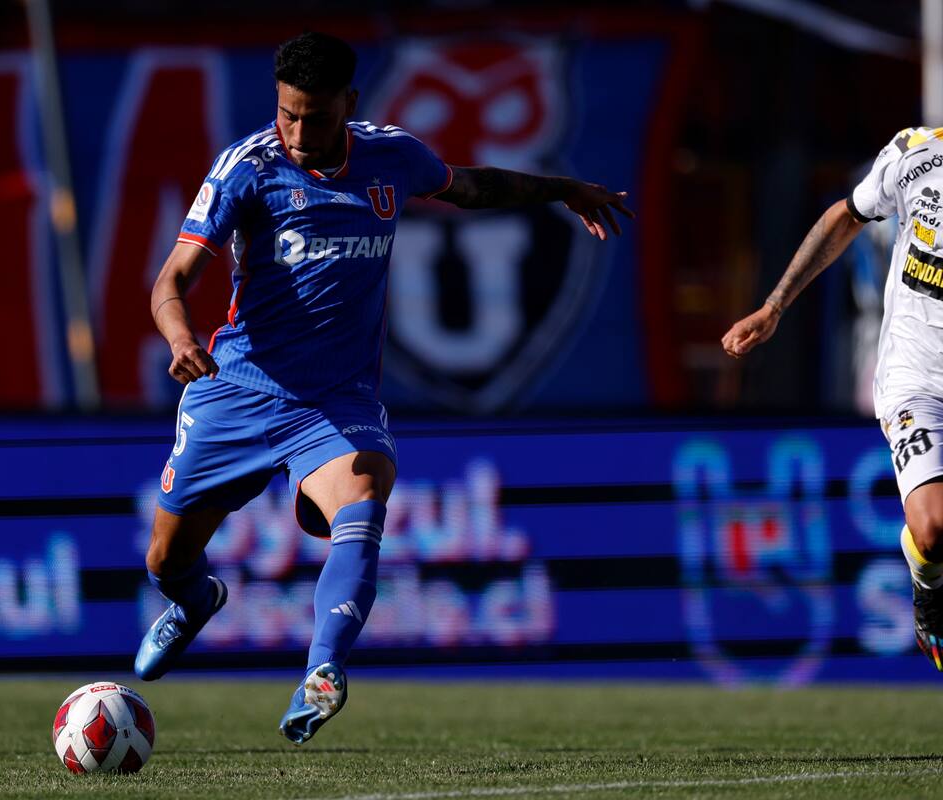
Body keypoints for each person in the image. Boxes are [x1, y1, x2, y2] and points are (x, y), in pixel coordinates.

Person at [136, 31, 635, 744]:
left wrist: (560, 189)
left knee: (364, 494)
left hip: (334, 401)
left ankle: (323, 669)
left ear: (349, 102)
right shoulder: (248, 169)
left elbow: (471, 187)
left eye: (314, 117)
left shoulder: (392, 156)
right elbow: (171, 280)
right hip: (237, 386)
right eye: (286, 114)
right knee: (165, 559)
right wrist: (182, 340)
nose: (297, 133)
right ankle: (194, 600)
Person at [722, 126, 943, 672]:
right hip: (916, 378)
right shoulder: (916, 155)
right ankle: (928, 584)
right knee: (933, 526)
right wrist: (774, 306)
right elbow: (844, 217)